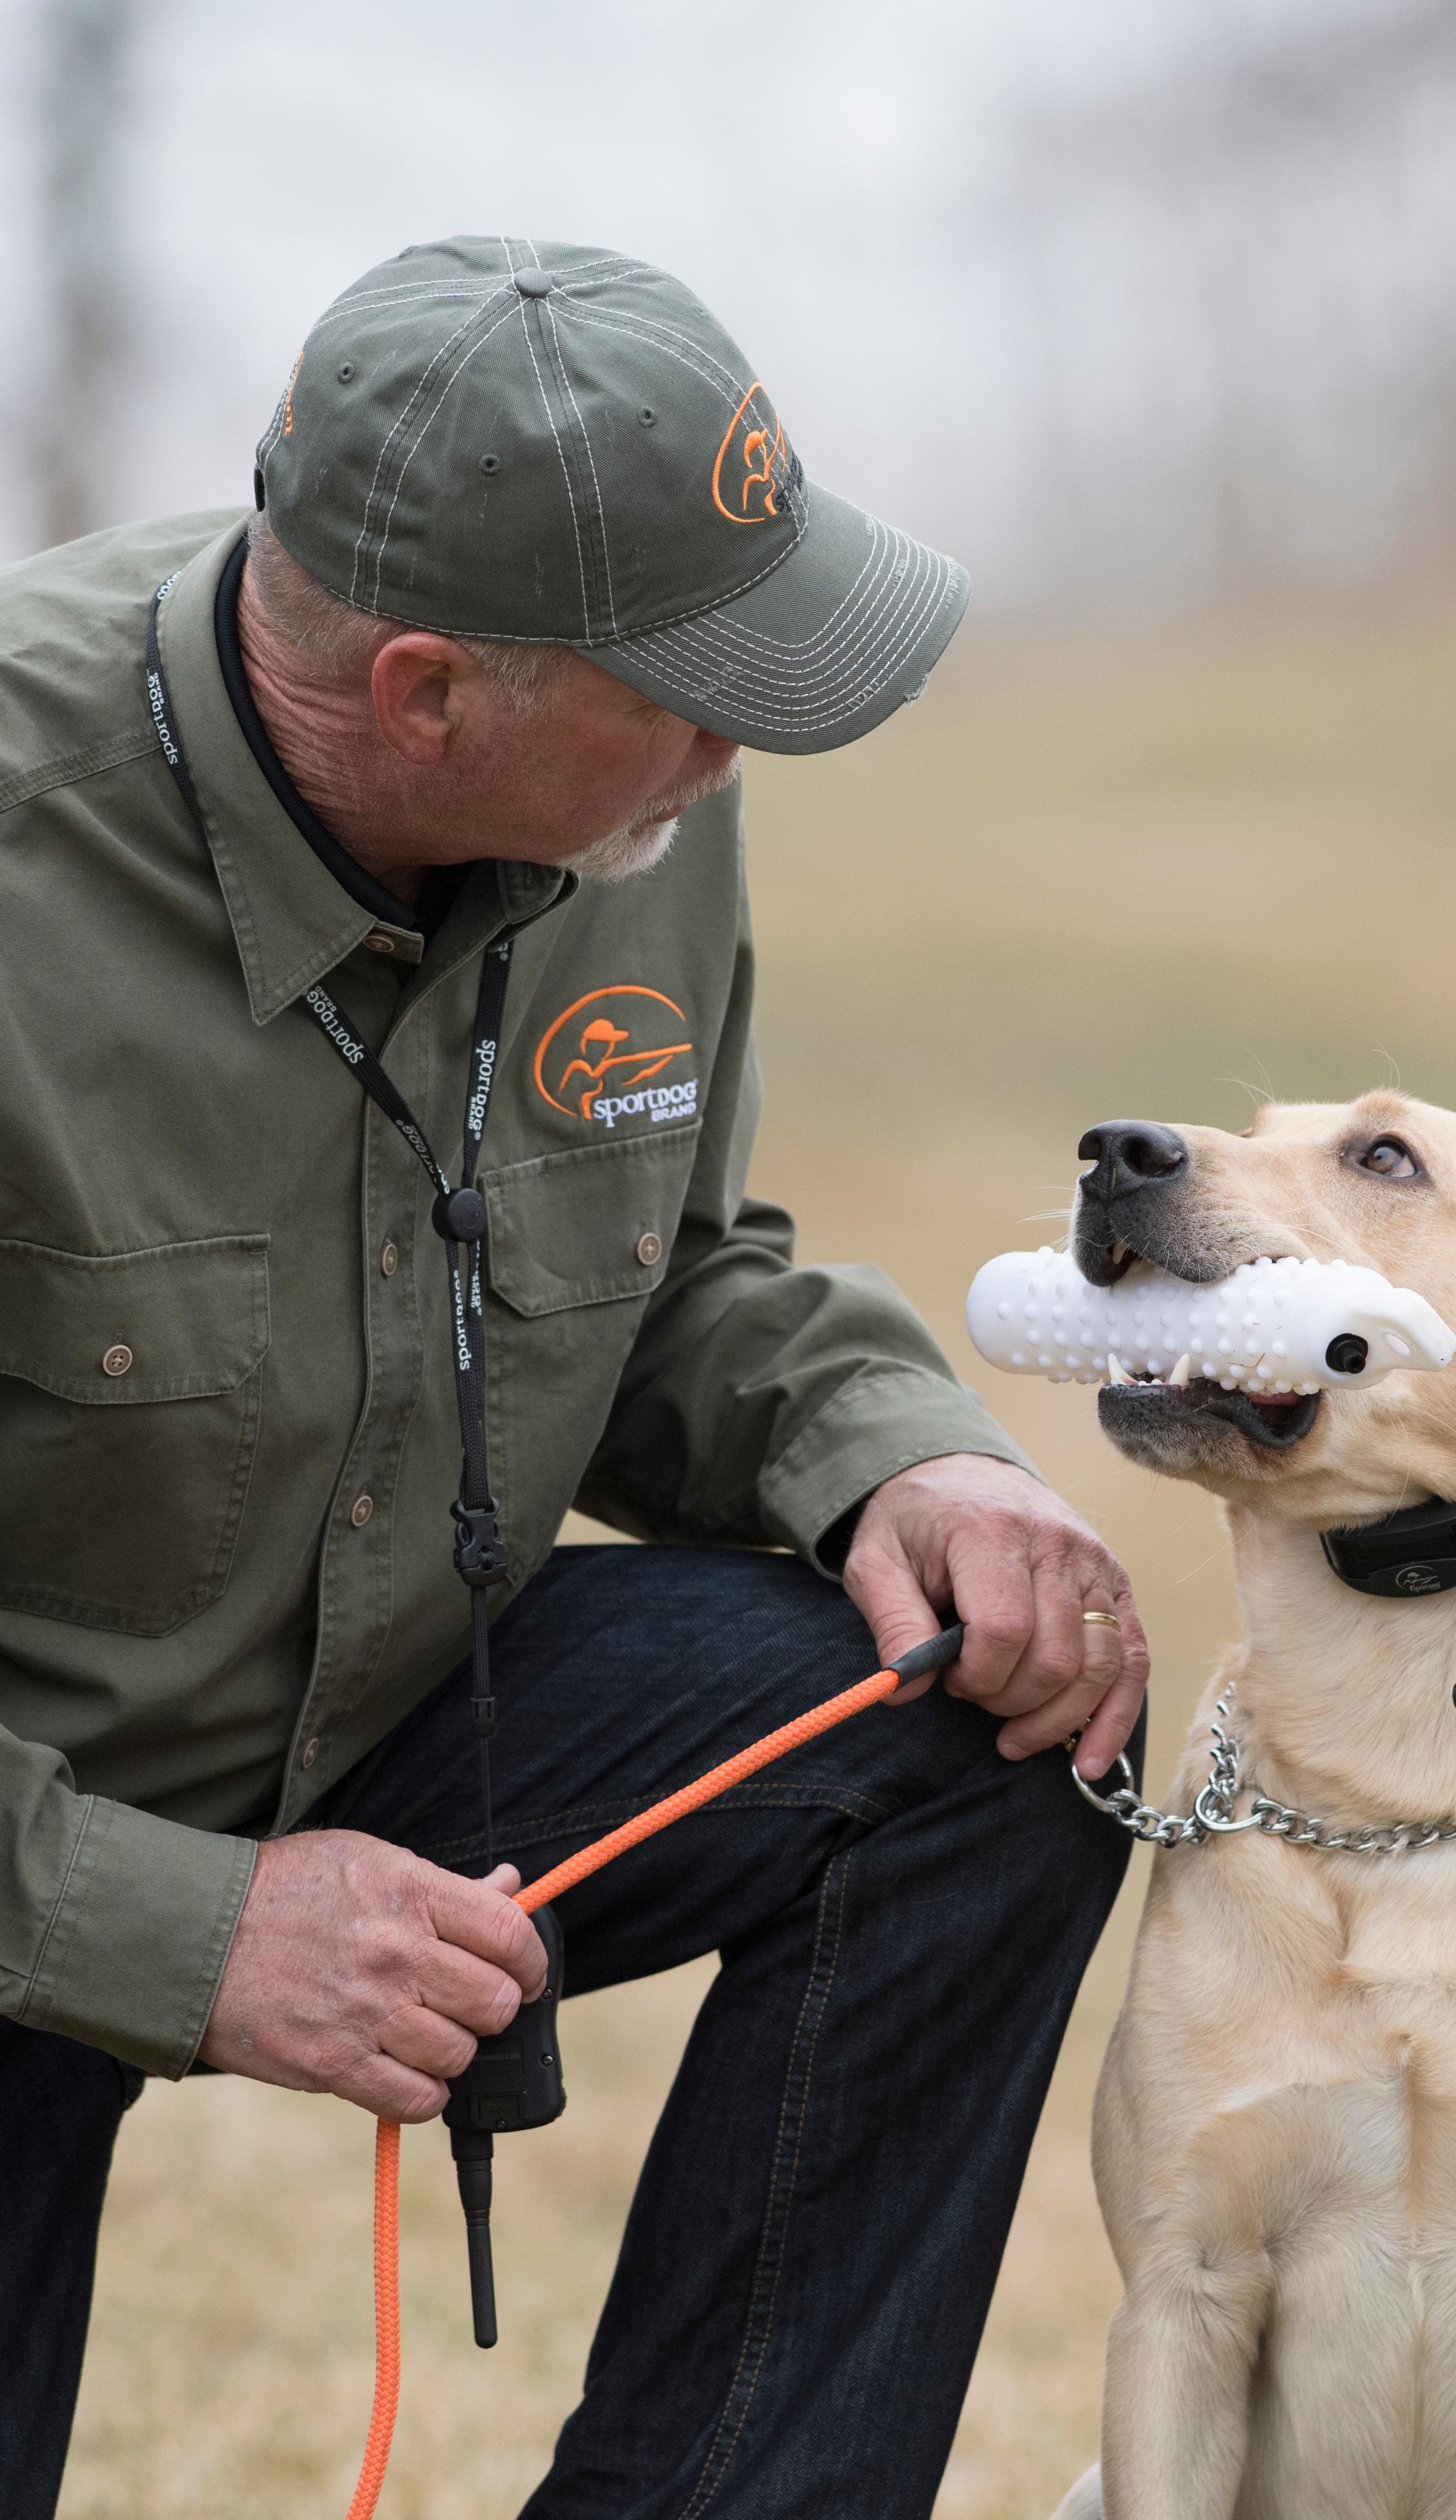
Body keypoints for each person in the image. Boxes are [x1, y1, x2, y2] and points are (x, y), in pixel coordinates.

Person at [0, 235, 1148, 2519]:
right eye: (697, 690)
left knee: (975, 1745)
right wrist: (180, 1927)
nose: (743, 754)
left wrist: (886, 1457)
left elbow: (670, 1276)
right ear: (428, 691)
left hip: (395, 1718)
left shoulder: (626, 805)